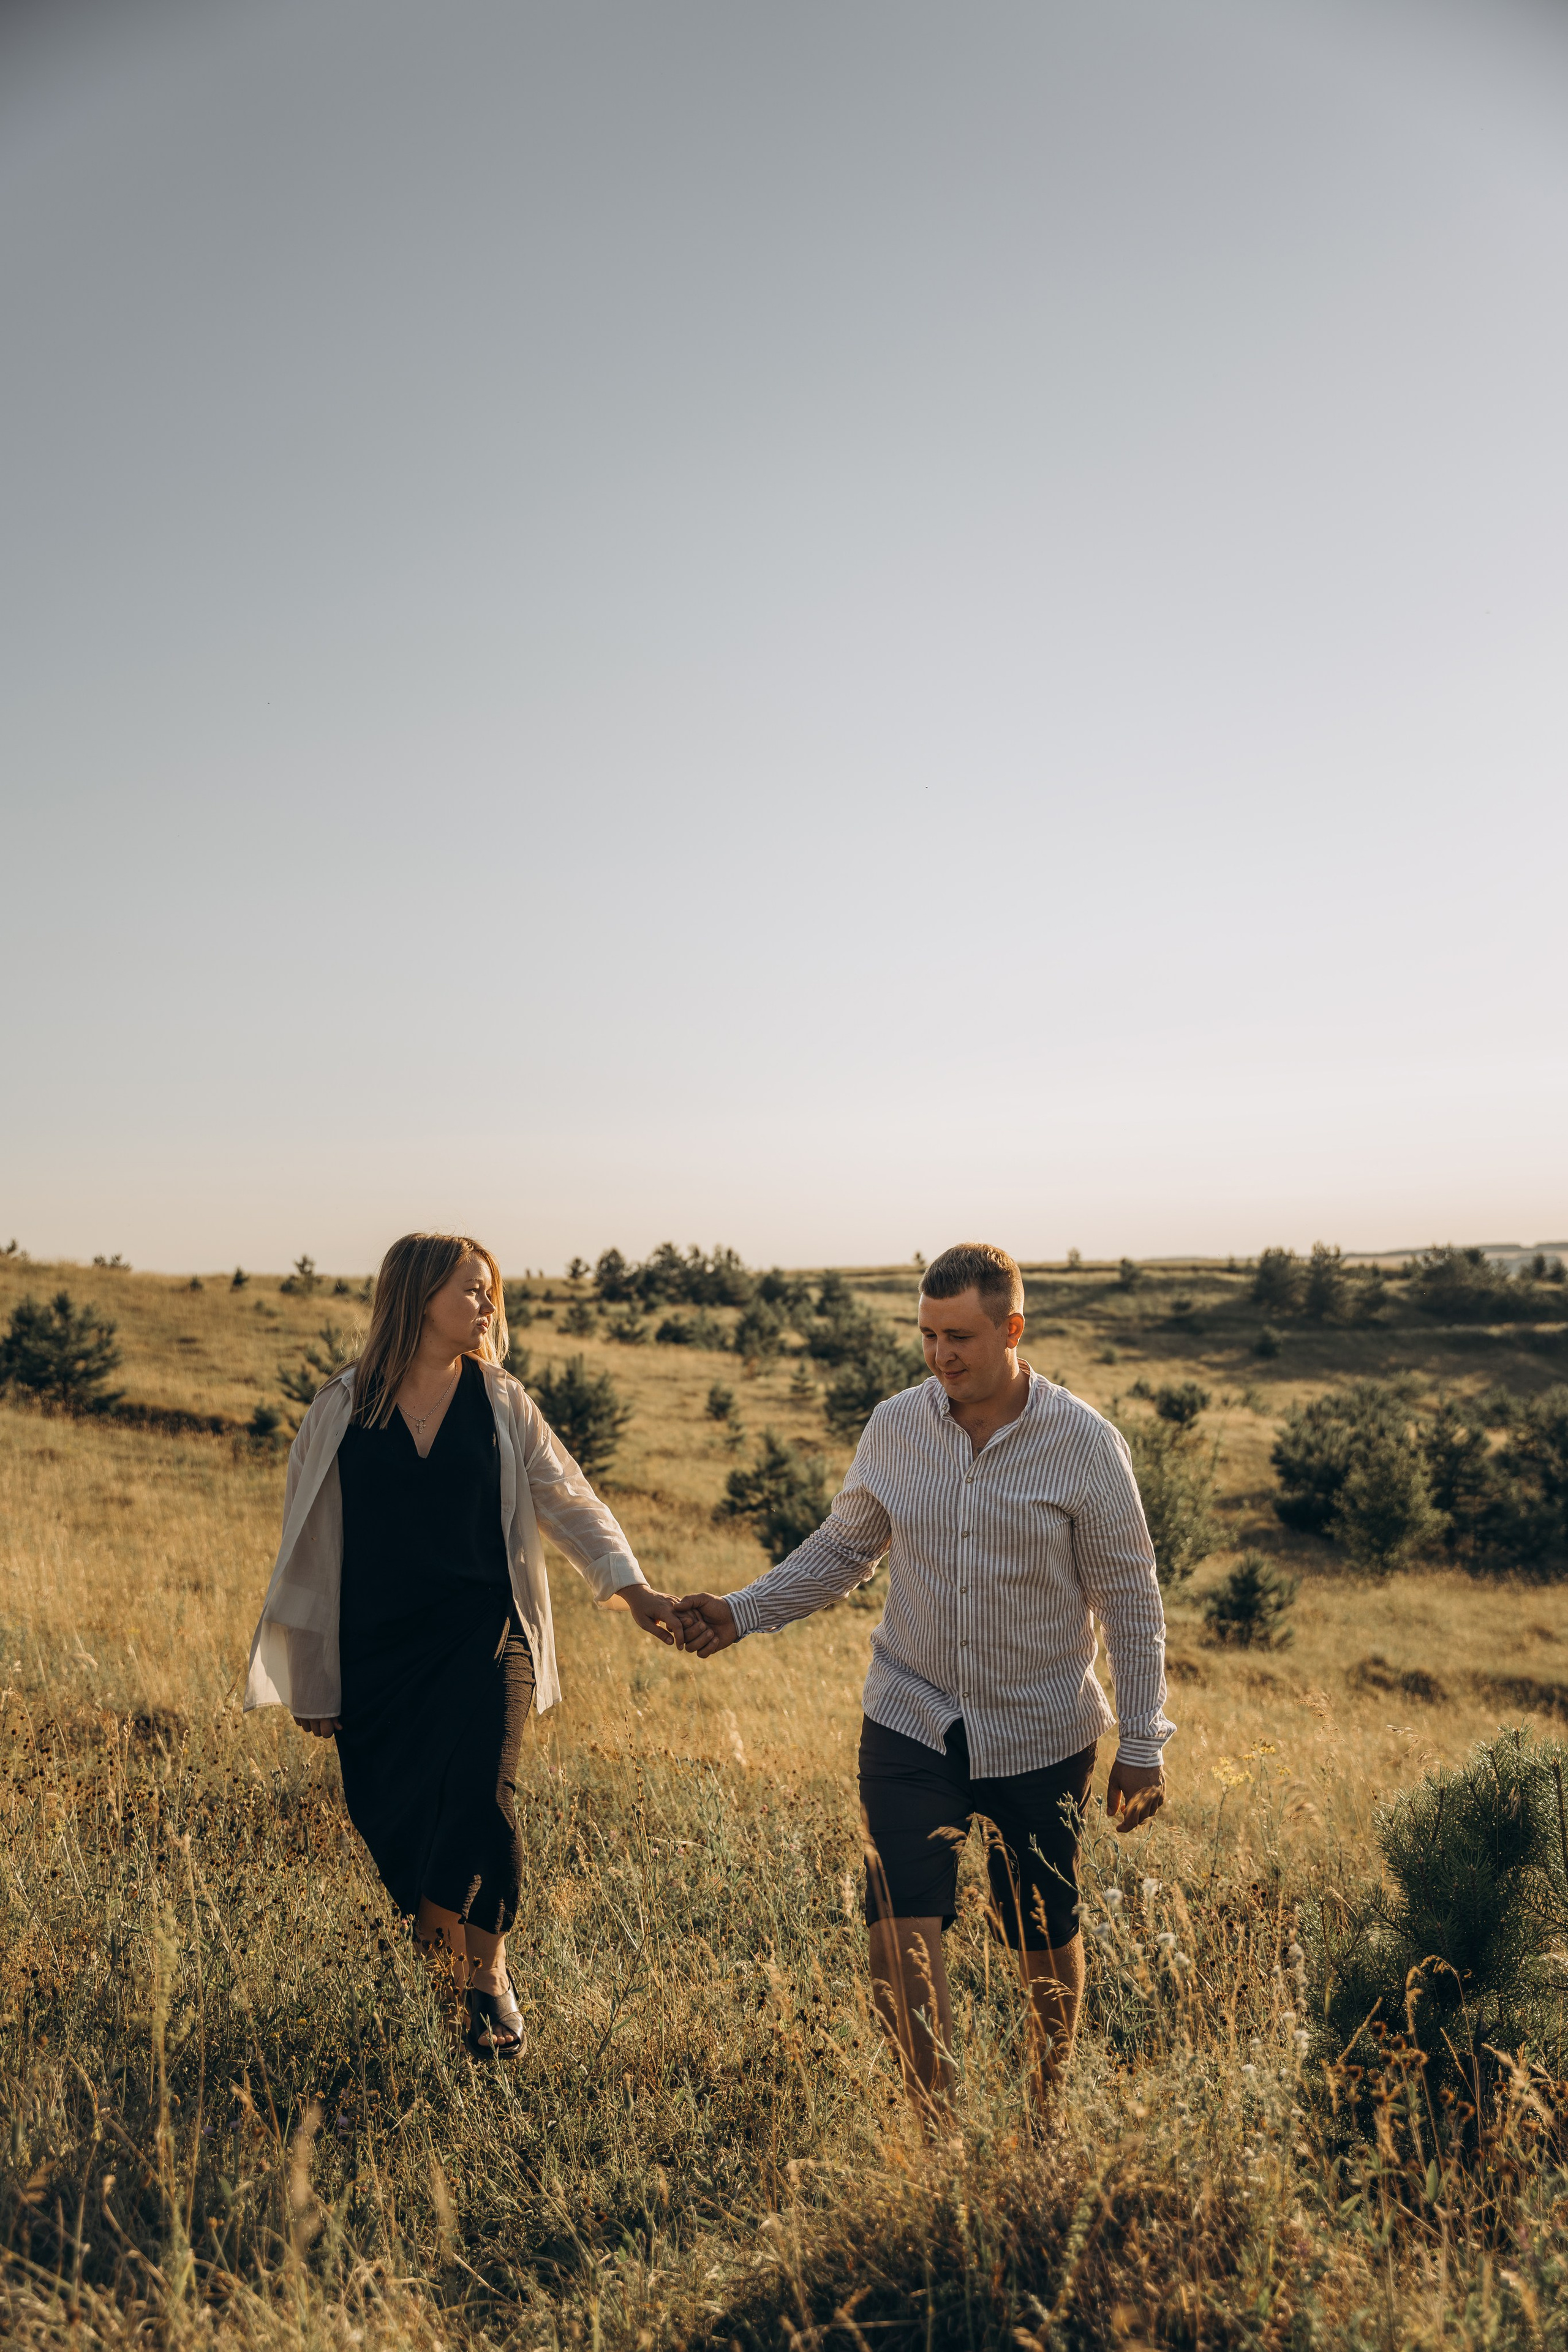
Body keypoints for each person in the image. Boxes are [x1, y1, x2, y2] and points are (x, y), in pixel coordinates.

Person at [676, 1241, 1172, 2114]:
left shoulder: (1086, 1446)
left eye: (961, 1337)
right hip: (910, 1713)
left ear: (1012, 1329)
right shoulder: (896, 1426)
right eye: (928, 1335)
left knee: (1039, 1933)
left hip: (1039, 1727)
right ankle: (935, 2129)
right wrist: (743, 1610)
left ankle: (1044, 2107)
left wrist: (1144, 1741)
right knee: (898, 1928)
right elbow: (846, 1547)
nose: (942, 1356)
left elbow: (1131, 1601)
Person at [244, 1231, 685, 2059]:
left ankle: (487, 1975)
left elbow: (571, 1503)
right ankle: (446, 1981)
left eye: (490, 1292)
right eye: (471, 1290)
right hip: (378, 1653)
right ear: (417, 1298)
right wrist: (314, 1679)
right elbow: (302, 1548)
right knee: (402, 1822)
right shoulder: (342, 1408)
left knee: (485, 1801)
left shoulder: (502, 1400)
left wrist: (636, 1593)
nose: (487, 1307)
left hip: (488, 1634)